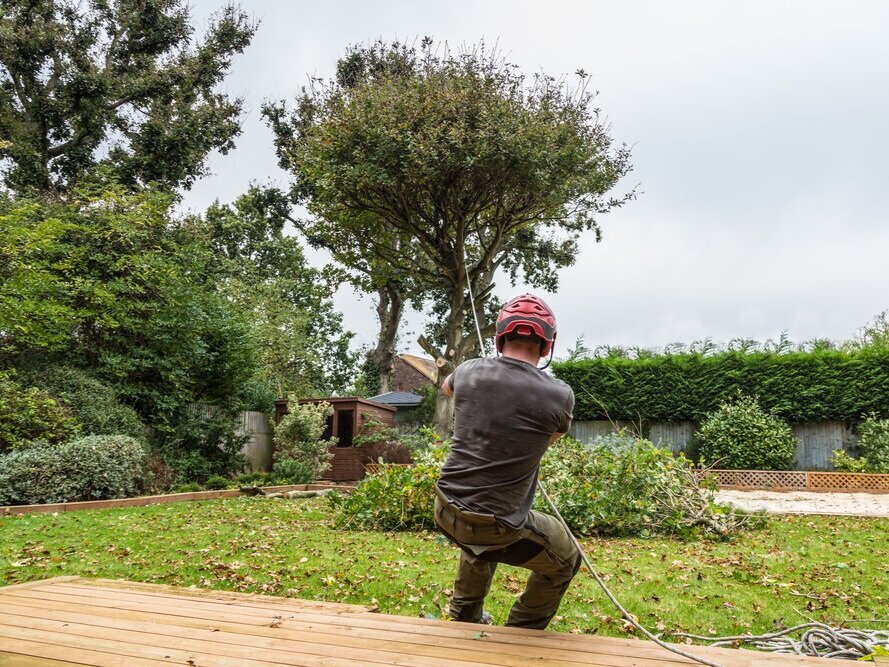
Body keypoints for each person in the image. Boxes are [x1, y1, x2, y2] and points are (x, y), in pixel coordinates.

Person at [434, 293, 581, 630]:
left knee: (480, 530)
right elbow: (551, 438)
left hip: (445, 509)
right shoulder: (560, 395)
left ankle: (465, 615)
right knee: (566, 559)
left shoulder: (469, 370)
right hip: (496, 525)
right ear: (547, 344)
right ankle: (521, 632)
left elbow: (447, 389)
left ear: (500, 337)